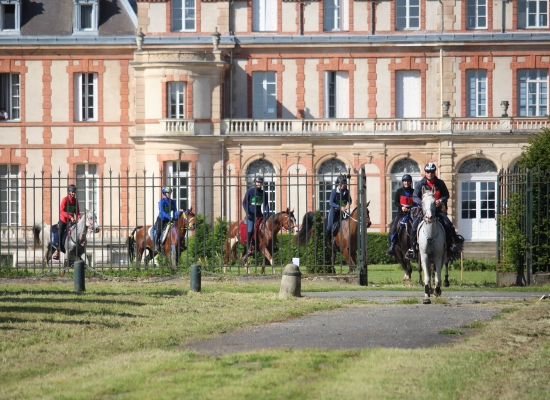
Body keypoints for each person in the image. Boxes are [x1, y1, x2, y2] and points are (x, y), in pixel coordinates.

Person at [405, 163, 463, 260]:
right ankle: (412, 249)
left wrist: (440, 201)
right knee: (414, 227)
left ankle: (450, 246)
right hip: (424, 211)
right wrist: (422, 203)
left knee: (448, 224)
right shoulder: (420, 184)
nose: (430, 174)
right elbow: (414, 197)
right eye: (428, 172)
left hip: (437, 210)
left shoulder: (440, 183)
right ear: (425, 172)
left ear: (434, 172)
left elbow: (446, 195)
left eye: (432, 172)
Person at [386, 174, 414, 256]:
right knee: (394, 228)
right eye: (405, 181)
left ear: (410, 182)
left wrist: (410, 208)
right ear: (403, 182)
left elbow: (416, 202)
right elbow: (396, 202)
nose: (406, 183)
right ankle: (392, 246)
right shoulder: (399, 191)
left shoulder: (413, 191)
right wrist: (402, 207)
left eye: (408, 181)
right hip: (401, 213)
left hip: (411, 214)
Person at [52, 184, 81, 260]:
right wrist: (70, 217)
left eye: (74, 192)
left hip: (72, 221)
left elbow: (77, 212)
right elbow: (61, 211)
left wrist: (79, 218)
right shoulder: (65, 200)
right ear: (69, 192)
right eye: (72, 192)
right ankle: (57, 251)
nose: (74, 193)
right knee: (60, 233)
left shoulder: (75, 201)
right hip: (64, 221)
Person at [242, 176, 269, 254]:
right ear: (255, 183)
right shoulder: (250, 191)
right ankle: (248, 246)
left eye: (260, 182)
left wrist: (267, 213)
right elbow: (244, 203)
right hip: (250, 214)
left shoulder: (263, 193)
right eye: (257, 182)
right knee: (250, 229)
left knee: (265, 228)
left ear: (262, 184)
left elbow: (266, 204)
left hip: (259, 214)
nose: (259, 184)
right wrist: (248, 212)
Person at [326, 175, 352, 239]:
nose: (343, 185)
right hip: (334, 211)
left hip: (343, 212)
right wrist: (339, 207)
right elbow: (331, 203)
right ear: (338, 183)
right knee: (329, 226)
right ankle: (326, 240)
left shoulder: (347, 191)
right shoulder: (334, 191)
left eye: (344, 184)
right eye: (342, 184)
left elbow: (350, 200)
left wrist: (348, 204)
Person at [154, 186, 179, 252]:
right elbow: (162, 212)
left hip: (169, 219)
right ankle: (156, 245)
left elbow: (175, 210)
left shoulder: (172, 202)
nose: (169, 194)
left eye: (170, 193)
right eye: (168, 193)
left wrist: (175, 217)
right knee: (159, 231)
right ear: (164, 194)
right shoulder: (162, 201)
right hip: (161, 219)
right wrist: (169, 217)